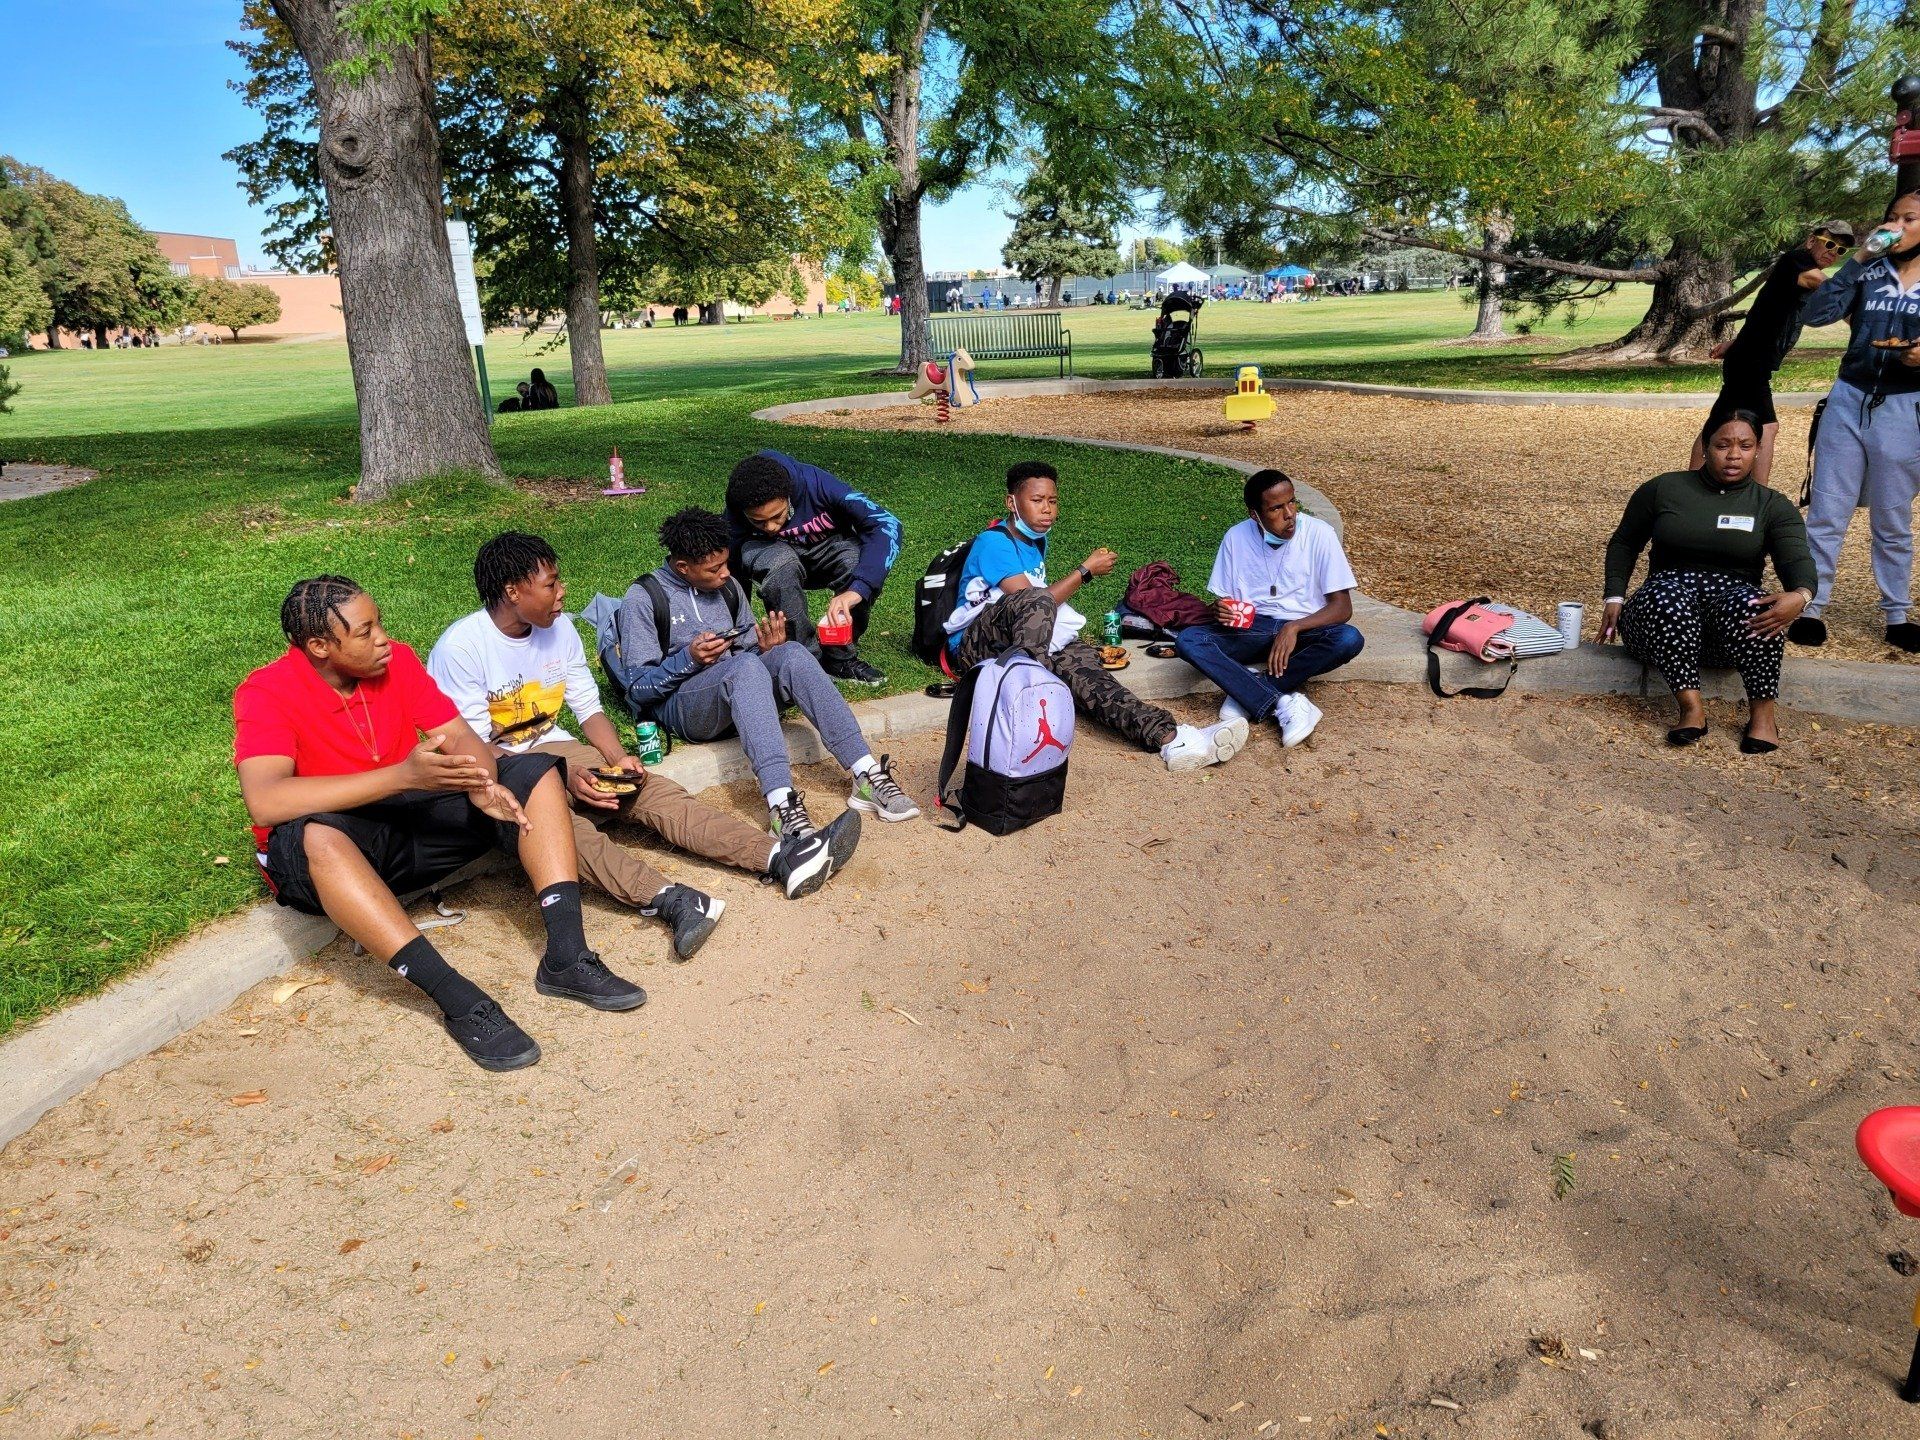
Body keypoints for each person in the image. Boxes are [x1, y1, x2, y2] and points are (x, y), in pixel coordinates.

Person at [233, 576, 649, 1074]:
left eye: (379, 622)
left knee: (533, 771)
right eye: (365, 632)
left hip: (406, 820)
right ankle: (459, 999)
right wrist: (400, 776)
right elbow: (266, 800)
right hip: (331, 856)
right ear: (320, 647)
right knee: (318, 836)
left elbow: (466, 745)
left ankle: (567, 957)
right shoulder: (266, 691)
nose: (383, 638)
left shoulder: (398, 661)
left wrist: (480, 782)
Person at [429, 534, 860, 959]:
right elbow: (473, 752)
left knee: (652, 791)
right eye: (551, 584)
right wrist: (560, 775)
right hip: (499, 768)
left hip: (559, 750)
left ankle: (777, 857)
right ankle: (670, 899)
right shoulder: (463, 648)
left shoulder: (559, 631)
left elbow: (589, 710)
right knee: (556, 829)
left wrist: (618, 758)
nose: (563, 594)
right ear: (512, 591)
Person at [615, 507, 919, 839]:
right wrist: (689, 658)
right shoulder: (644, 597)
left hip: (736, 690)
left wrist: (765, 650)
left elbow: (745, 656)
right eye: (714, 568)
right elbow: (639, 689)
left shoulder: (727, 587)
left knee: (791, 653)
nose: (726, 574)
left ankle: (866, 774)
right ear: (684, 567)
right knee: (744, 668)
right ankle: (781, 807)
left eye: (727, 563)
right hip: (684, 708)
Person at [946, 461, 1248, 773]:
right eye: (1037, 501)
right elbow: (1032, 602)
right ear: (1012, 503)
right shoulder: (993, 542)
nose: (1046, 509)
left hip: (1022, 639)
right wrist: (1085, 572)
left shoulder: (1036, 538)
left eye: (1052, 500)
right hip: (974, 644)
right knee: (1045, 622)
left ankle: (1171, 740)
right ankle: (1029, 696)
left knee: (1089, 677)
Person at [1600, 411, 1816, 752]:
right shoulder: (1665, 488)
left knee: (1755, 603)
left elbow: (1796, 559)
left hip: (1725, 637)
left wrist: (1801, 596)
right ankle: (1691, 710)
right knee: (1667, 596)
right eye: (1722, 445)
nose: (1733, 455)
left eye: (1745, 446)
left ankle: (1763, 717)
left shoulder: (1770, 505)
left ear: (1759, 448)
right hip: (1661, 624)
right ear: (1705, 446)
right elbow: (1625, 542)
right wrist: (1614, 596)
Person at [1792, 192, 1920, 652]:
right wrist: (1860, 256)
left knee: (1893, 516)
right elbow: (1815, 314)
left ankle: (1897, 615)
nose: (1897, 226)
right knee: (1827, 510)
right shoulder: (1867, 270)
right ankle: (1810, 605)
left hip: (1907, 408)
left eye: (1909, 218)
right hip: (1849, 398)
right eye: (1892, 217)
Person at [1173, 469, 1366, 747]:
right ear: (1255, 515)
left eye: (1292, 502)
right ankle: (1282, 700)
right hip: (1254, 629)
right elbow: (1226, 602)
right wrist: (1220, 610)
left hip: (1303, 632)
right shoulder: (1236, 537)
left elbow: (1342, 608)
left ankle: (1246, 688)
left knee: (1348, 638)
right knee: (1189, 640)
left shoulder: (1320, 534)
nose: (1290, 514)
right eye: (1276, 508)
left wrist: (1294, 626)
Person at [1689, 220, 1853, 486]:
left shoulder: (1800, 270)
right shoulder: (1796, 261)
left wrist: (1735, 342)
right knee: (1767, 427)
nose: (1833, 252)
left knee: (1719, 421)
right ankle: (1758, 496)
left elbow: (1763, 309)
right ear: (1812, 241)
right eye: (1830, 244)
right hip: (1750, 361)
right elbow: (1829, 289)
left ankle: (1693, 484)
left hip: (1749, 357)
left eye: (1840, 250)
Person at [724, 450, 903, 686]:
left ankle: (840, 658)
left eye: (777, 515)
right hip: (771, 554)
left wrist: (858, 588)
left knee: (855, 562)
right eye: (758, 521)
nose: (770, 526)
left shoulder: (819, 485)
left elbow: (887, 523)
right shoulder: (737, 506)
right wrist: (737, 636)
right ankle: (803, 663)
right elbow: (729, 568)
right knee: (782, 565)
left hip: (823, 549)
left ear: (789, 496)